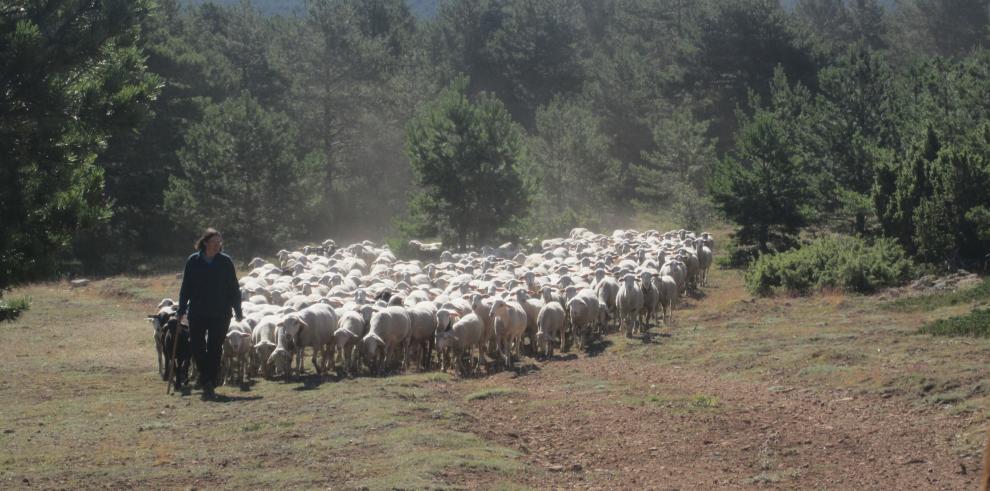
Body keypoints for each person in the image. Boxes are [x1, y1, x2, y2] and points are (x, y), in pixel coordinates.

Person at [176, 228, 242, 400]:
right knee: (197, 346)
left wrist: (238, 309)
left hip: (220, 312)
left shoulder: (225, 262)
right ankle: (206, 375)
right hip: (197, 311)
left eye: (219, 243)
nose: (217, 245)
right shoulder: (193, 261)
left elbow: (233, 287)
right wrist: (181, 309)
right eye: (214, 242)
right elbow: (186, 287)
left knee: (215, 348)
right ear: (205, 242)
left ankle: (209, 381)